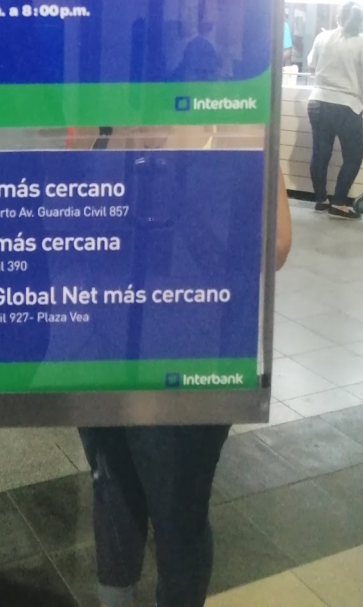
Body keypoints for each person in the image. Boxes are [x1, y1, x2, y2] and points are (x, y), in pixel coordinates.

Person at [79, 170, 292, 607]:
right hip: (106, 347)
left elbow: (276, 245)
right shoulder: (102, 129)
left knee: (177, 512)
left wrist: (184, 209)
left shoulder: (233, 135)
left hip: (191, 358)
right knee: (111, 489)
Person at [307, 1, 363, 219]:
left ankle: (321, 200)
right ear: (361, 19)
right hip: (346, 106)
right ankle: (339, 203)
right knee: (353, 156)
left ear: (338, 17)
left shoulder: (322, 37)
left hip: (318, 102)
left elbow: (312, 66)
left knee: (320, 154)